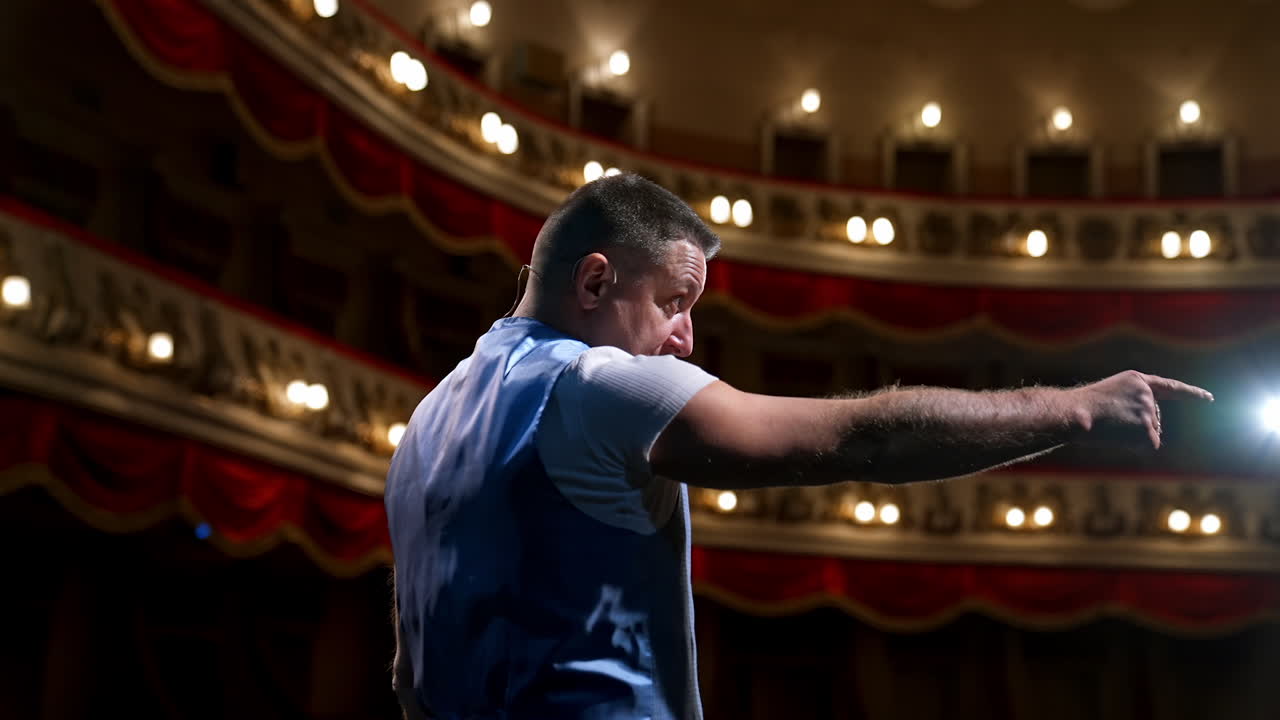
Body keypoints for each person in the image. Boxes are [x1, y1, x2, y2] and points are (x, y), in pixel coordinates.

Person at [383, 173, 1212, 720]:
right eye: (676, 300)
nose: (683, 337)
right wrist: (1073, 407)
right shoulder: (596, 384)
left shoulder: (423, 426)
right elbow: (864, 439)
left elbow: (407, 679)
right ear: (596, 282)